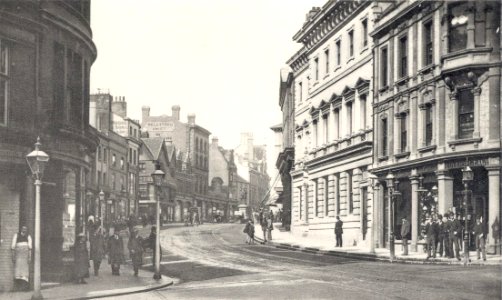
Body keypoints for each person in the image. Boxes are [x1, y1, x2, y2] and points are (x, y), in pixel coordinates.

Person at [11, 226, 32, 291]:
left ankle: (25, 287)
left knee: (25, 273)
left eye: (25, 229)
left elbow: (30, 248)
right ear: (21, 229)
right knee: (17, 272)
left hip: (25, 256)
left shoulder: (28, 236)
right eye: (23, 229)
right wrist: (13, 256)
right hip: (18, 256)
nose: (24, 230)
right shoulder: (16, 235)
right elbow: (13, 248)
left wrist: (29, 257)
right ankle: (18, 288)